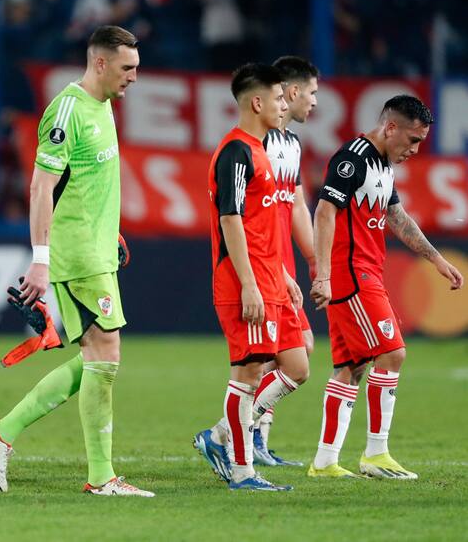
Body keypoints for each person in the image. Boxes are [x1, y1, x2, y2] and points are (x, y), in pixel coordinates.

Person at [0, 25, 154, 497]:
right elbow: (41, 187)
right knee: (105, 355)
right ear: (100, 63)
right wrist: (40, 259)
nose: (134, 77)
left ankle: (3, 432)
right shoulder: (68, 109)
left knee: (98, 356)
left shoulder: (105, 105)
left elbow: (87, 178)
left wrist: (107, 225)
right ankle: (101, 477)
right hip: (75, 254)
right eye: (127, 68)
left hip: (96, 247)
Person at [308, 95, 463, 479]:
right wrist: (323, 275)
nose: (414, 149)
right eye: (412, 140)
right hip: (352, 273)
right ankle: (376, 454)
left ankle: (325, 462)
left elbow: (396, 216)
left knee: (351, 366)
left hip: (366, 272)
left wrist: (436, 259)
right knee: (392, 353)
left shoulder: (381, 164)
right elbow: (325, 210)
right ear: (390, 127)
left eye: (421, 142)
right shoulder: (353, 158)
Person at [193, 63, 308, 492]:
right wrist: (249, 284)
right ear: (257, 102)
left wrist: (280, 273)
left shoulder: (260, 151)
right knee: (247, 374)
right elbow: (231, 219)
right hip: (245, 282)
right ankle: (242, 470)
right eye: (279, 98)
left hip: (270, 279)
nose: (285, 104)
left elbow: (261, 227)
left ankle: (225, 438)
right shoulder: (235, 152)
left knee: (295, 364)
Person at [251, 55, 320, 466]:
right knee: (273, 358)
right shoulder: (254, 145)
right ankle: (238, 434)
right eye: (311, 93)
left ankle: (254, 439)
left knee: (289, 354)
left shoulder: (291, 145)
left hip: (283, 265)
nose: (313, 102)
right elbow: (247, 217)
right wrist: (276, 269)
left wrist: (314, 260)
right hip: (262, 265)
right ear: (291, 92)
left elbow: (294, 206)